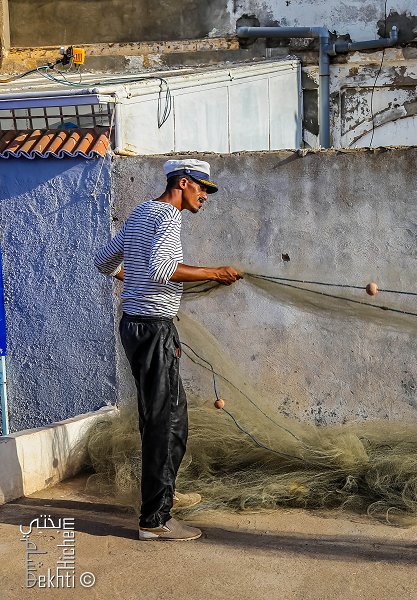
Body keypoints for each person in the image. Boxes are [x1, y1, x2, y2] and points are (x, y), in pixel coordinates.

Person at [94, 159, 241, 541]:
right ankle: (155, 521)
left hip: (134, 326)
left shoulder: (141, 212)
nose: (205, 196)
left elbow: (104, 262)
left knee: (159, 417)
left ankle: (164, 495)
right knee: (168, 422)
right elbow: (163, 269)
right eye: (202, 188)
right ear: (184, 182)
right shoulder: (168, 217)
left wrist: (133, 280)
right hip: (154, 332)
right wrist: (215, 272)